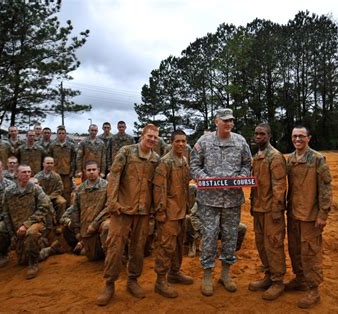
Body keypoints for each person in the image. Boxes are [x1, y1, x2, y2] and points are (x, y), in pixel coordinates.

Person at [96, 124, 160, 306]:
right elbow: (114, 176)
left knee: (138, 248)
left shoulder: (155, 159)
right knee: (115, 246)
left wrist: (154, 208)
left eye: (155, 137)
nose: (152, 140)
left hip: (143, 211)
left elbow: (155, 185)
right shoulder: (126, 152)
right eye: (150, 136)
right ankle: (109, 284)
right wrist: (112, 202)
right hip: (122, 209)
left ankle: (133, 280)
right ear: (142, 135)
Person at [190, 108, 252, 296]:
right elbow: (193, 165)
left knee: (230, 236)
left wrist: (241, 177)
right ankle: (207, 274)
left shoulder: (240, 141)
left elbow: (247, 165)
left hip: (232, 200)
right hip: (209, 200)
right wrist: (204, 179)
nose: (228, 124)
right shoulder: (204, 141)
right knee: (209, 236)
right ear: (216, 121)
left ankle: (225, 274)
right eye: (224, 120)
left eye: (231, 120)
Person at [285, 126, 333, 309]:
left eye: (301, 136)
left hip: (311, 217)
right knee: (294, 249)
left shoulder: (318, 159)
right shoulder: (290, 159)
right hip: (293, 214)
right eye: (295, 136)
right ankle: (300, 279)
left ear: (308, 138)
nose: (297, 139)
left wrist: (323, 213)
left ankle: (313, 289)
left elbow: (326, 187)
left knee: (310, 253)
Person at [152, 130, 193, 298]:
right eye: (178, 141)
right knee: (165, 246)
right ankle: (160, 280)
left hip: (181, 210)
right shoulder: (165, 162)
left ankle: (174, 272)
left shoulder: (184, 160)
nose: (181, 144)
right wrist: (160, 211)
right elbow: (159, 189)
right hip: (168, 212)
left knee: (178, 243)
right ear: (171, 142)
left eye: (183, 141)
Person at [248, 123, 287, 300]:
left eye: (262, 134)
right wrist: (252, 205)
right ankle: (268, 276)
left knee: (273, 245)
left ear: (269, 135)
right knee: (262, 245)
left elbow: (279, 185)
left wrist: (277, 209)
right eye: (256, 134)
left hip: (271, 210)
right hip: (258, 209)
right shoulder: (257, 156)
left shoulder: (275, 157)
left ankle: (278, 281)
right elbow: (255, 185)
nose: (258, 137)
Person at [1, 164, 51, 279]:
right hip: (17, 228)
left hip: (35, 224)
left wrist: (26, 224)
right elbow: (6, 213)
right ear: (17, 174)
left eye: (29, 172)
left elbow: (45, 207)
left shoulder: (36, 189)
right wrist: (12, 234)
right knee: (22, 260)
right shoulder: (8, 191)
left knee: (31, 233)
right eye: (24, 172)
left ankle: (33, 265)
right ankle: (50, 250)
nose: (27, 174)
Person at [60, 160, 110, 261]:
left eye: (94, 169)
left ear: (98, 171)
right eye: (89, 170)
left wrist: (95, 224)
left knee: (107, 227)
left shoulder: (107, 186)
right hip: (87, 228)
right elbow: (75, 211)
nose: (91, 172)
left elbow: (109, 207)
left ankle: (112, 258)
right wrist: (77, 231)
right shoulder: (80, 189)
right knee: (93, 257)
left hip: (102, 222)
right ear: (85, 172)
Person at [185, 184, 247, 257]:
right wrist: (201, 229)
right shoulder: (203, 198)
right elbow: (193, 216)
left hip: (221, 227)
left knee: (242, 228)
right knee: (188, 219)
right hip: (206, 228)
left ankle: (230, 250)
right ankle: (193, 243)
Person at [48, 126, 76, 205]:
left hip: (67, 172)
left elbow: (74, 159)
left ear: (65, 134)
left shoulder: (71, 146)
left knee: (67, 191)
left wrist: (72, 171)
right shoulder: (52, 145)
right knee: (56, 191)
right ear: (57, 134)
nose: (61, 135)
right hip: (55, 172)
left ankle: (67, 209)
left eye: (63, 133)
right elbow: (49, 158)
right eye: (59, 133)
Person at [34, 156, 66, 223]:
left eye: (51, 163)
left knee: (62, 202)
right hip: (41, 198)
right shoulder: (37, 177)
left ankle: (59, 222)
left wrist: (50, 197)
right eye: (48, 163)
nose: (50, 165)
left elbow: (60, 189)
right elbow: (35, 190)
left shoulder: (56, 176)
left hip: (54, 197)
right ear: (43, 164)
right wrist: (44, 198)